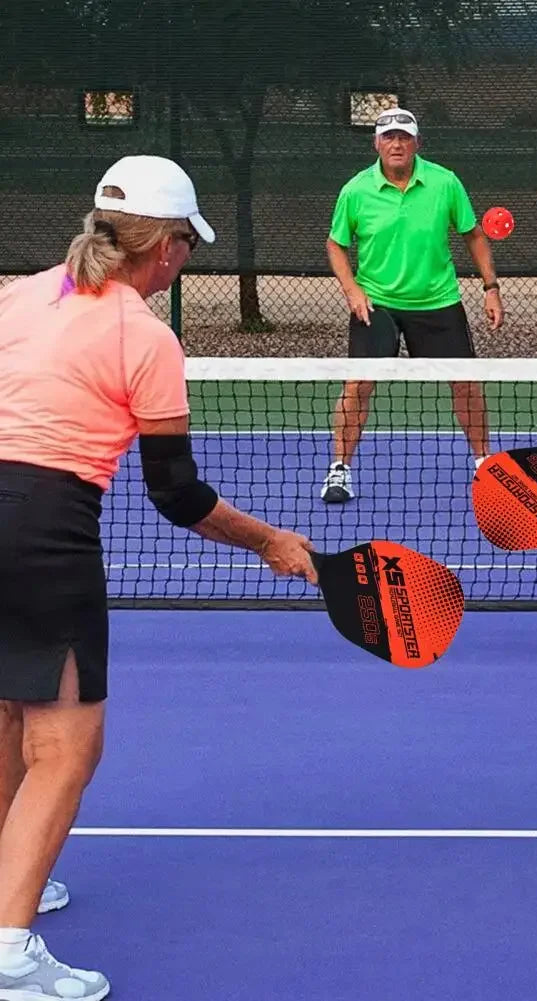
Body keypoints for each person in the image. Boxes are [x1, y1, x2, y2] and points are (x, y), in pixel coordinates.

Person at [0, 155, 317, 999]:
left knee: (3, 709)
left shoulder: (17, 294)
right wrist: (269, 541)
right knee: (63, 744)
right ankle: (9, 953)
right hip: (42, 532)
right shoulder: (145, 336)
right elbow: (176, 494)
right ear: (169, 248)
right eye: (186, 244)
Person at [320, 107, 504, 503]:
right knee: (359, 384)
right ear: (377, 144)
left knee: (466, 383)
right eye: (388, 137)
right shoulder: (355, 190)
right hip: (377, 305)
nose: (397, 144)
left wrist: (490, 288)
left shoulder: (445, 183)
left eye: (404, 136)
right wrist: (352, 290)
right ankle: (339, 470)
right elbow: (336, 245)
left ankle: (484, 464)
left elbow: (473, 234)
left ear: (417, 142)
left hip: (438, 302)